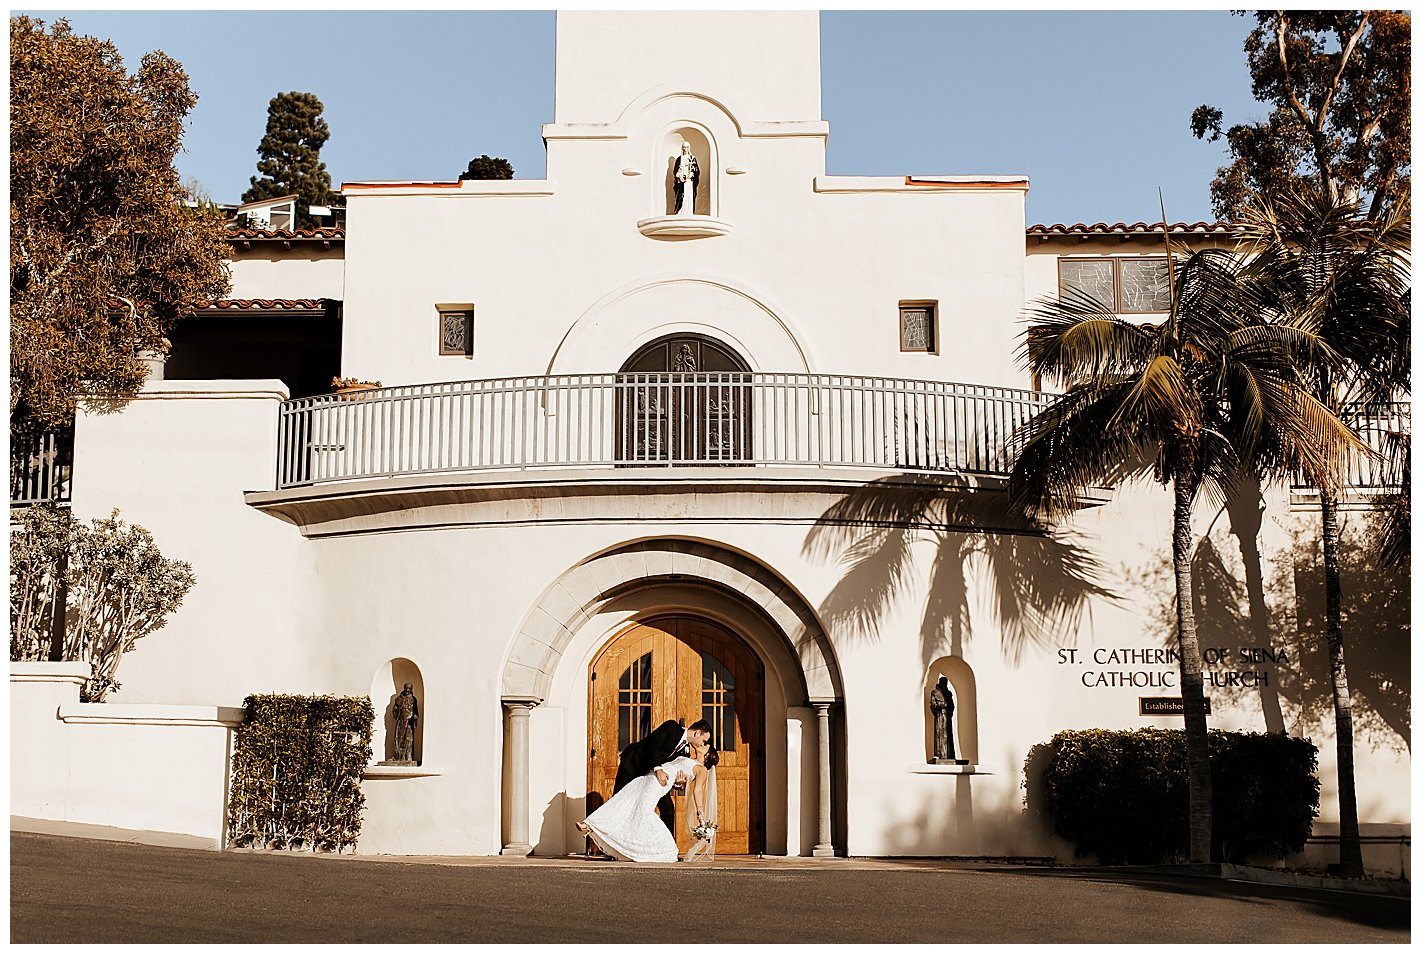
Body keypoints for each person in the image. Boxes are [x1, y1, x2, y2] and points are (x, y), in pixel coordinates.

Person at [579, 742, 719, 863]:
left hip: (657, 783)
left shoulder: (702, 769)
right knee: (623, 799)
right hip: (647, 778)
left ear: (707, 755)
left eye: (706, 745)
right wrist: (677, 781)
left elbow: (698, 790)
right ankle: (591, 824)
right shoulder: (687, 757)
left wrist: (700, 814)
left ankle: (662, 849)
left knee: (643, 812)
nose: (702, 744)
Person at [614, 719, 711, 837]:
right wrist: (658, 769)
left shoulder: (685, 752)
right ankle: (611, 846)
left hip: (653, 780)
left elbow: (674, 769)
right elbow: (652, 745)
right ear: (696, 733)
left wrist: (678, 783)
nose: (702, 744)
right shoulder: (672, 727)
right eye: (703, 740)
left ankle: (668, 850)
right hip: (633, 764)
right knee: (619, 802)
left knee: (668, 809)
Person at [930, 675, 955, 761]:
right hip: (939, 716)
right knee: (939, 735)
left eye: (946, 682)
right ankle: (939, 754)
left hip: (947, 717)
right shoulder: (935, 693)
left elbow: (952, 705)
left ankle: (949, 755)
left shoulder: (948, 693)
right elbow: (933, 705)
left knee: (948, 736)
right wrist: (941, 706)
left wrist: (949, 708)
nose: (944, 684)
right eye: (943, 682)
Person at [393, 683, 419, 763]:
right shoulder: (399, 699)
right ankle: (398, 757)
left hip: (409, 723)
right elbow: (395, 710)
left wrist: (415, 716)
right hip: (401, 722)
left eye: (409, 689)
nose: (407, 690)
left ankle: (408, 756)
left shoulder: (413, 699)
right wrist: (398, 713)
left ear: (411, 689)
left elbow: (416, 711)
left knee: (408, 739)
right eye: (406, 688)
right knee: (399, 739)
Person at [673, 142, 699, 215]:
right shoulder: (679, 159)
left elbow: (696, 170)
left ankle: (689, 212)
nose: (685, 149)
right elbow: (675, 171)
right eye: (684, 147)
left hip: (689, 181)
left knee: (689, 196)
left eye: (687, 147)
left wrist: (692, 174)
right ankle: (680, 211)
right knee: (681, 196)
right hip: (681, 181)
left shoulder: (692, 158)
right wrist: (679, 176)